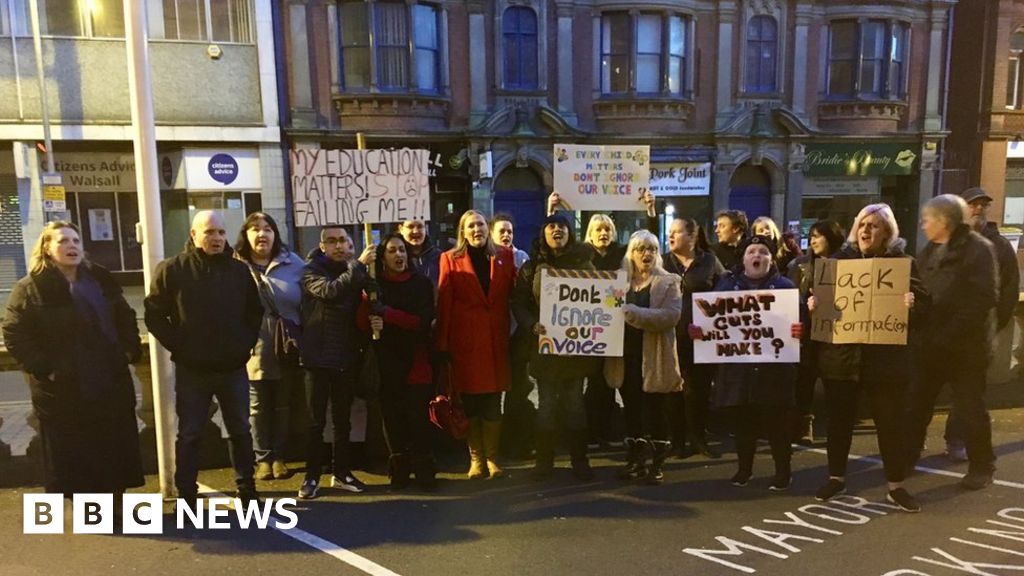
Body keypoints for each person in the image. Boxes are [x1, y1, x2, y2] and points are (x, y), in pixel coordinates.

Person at [3, 222, 144, 509]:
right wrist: (45, 368)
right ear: (47, 248)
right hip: (65, 387)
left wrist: (128, 351)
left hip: (108, 379)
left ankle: (115, 502)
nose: (72, 246)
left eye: (76, 240)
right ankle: (88, 507)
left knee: (113, 444)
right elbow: (15, 332)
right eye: (64, 241)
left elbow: (125, 317)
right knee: (76, 450)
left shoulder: (100, 279)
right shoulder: (31, 288)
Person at [809, 205, 925, 512]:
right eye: (862, 224)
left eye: (873, 226)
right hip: (842, 360)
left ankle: (896, 485)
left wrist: (913, 304)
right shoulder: (836, 264)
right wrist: (813, 303)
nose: (865, 230)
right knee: (839, 423)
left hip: (886, 364)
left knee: (890, 425)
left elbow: (926, 311)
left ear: (887, 232)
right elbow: (821, 306)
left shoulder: (904, 265)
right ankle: (836, 477)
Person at [144, 210, 264, 503]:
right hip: (193, 368)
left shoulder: (239, 272)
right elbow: (154, 315)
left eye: (222, 232)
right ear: (194, 235)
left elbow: (254, 312)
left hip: (232, 366)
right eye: (210, 232)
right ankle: (186, 492)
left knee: (240, 430)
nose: (217, 238)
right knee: (190, 433)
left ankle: (246, 488)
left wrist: (244, 345)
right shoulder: (174, 269)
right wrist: (181, 346)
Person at [692, 235, 802, 491]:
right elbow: (711, 322)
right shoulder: (726, 287)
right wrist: (699, 331)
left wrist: (799, 330)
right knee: (743, 424)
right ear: (743, 259)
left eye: (763, 252)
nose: (757, 256)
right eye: (752, 251)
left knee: (777, 426)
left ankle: (783, 472)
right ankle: (744, 469)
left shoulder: (785, 288)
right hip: (738, 372)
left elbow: (800, 323)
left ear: (771, 258)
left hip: (775, 372)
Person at [909, 194, 999, 491]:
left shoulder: (978, 249)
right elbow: (922, 288)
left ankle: (982, 466)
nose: (923, 225)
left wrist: (947, 334)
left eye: (927, 219)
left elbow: (983, 298)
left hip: (965, 349)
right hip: (932, 344)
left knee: (970, 408)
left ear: (943, 221)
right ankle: (906, 457)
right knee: (917, 404)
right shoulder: (931, 249)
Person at [513, 212, 601, 481]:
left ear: (570, 232)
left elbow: (600, 299)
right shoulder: (531, 267)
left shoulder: (585, 262)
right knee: (547, 406)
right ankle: (544, 461)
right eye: (550, 226)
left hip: (575, 349)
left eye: (562, 226)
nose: (557, 230)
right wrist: (531, 324)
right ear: (544, 233)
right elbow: (519, 302)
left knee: (575, 406)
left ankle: (580, 460)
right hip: (546, 348)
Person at [436, 210, 517, 479]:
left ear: (487, 228)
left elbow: (516, 295)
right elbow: (445, 303)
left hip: (495, 341)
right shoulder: (450, 259)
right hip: (466, 344)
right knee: (470, 404)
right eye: (470, 226)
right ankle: (476, 459)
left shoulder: (505, 256)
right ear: (463, 231)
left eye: (480, 224)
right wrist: (444, 345)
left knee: (494, 403)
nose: (476, 230)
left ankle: (493, 459)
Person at [297, 226, 375, 499]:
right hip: (317, 358)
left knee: (342, 422)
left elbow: (371, 298)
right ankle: (311, 477)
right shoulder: (310, 271)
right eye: (332, 241)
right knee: (315, 422)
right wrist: (359, 266)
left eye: (343, 241)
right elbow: (330, 291)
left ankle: (341, 473)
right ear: (322, 246)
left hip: (346, 355)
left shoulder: (357, 270)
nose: (338, 246)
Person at [942, 188, 1020, 461]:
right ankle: (914, 442)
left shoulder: (999, 247)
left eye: (982, 206)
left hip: (977, 334)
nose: (978, 209)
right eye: (972, 205)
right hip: (947, 330)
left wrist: (994, 323)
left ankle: (958, 440)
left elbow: (1010, 287)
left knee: (969, 389)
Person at [357, 233, 437, 489]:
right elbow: (361, 322)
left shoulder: (421, 284)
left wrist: (388, 315)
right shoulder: (374, 286)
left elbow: (422, 322)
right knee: (392, 419)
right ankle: (400, 469)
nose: (399, 255)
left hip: (416, 360)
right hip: (386, 361)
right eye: (392, 250)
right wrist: (371, 316)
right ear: (383, 257)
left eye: (402, 250)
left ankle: (424, 468)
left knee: (417, 417)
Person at [604, 231, 683, 484]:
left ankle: (657, 465)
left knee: (656, 411)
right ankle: (636, 460)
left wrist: (632, 312)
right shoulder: (619, 283)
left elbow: (670, 316)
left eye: (651, 249)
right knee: (632, 411)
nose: (646, 254)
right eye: (640, 249)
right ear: (632, 253)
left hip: (654, 356)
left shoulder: (669, 281)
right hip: (625, 356)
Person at [235, 212, 304, 482]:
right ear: (246, 234)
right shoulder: (234, 265)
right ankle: (262, 458)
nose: (261, 234)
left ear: (276, 234)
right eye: (255, 229)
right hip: (252, 348)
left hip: (285, 345)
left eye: (267, 229)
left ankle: (279, 456)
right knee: (258, 405)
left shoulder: (293, 263)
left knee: (284, 404)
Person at [662, 217, 725, 459]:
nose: (671, 236)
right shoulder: (664, 262)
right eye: (670, 232)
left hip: (701, 338)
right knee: (673, 390)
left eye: (677, 232)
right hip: (671, 337)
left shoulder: (709, 261)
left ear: (692, 236)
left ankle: (699, 438)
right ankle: (676, 441)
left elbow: (725, 289)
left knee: (699, 391)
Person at [786, 220, 845, 445]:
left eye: (818, 236)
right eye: (811, 236)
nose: (813, 240)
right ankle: (804, 425)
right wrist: (804, 307)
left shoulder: (844, 263)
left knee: (833, 383)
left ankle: (834, 426)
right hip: (808, 333)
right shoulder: (798, 265)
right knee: (804, 381)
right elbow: (790, 296)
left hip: (835, 332)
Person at [491, 213, 535, 459]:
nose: (506, 235)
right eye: (502, 231)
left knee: (519, 388)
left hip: (518, 331)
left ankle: (515, 440)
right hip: (496, 331)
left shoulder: (522, 258)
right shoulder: (488, 257)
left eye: (509, 231)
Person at [398, 219, 443, 286]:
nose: (415, 231)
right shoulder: (394, 257)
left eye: (420, 226)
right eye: (410, 226)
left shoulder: (439, 256)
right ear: (401, 229)